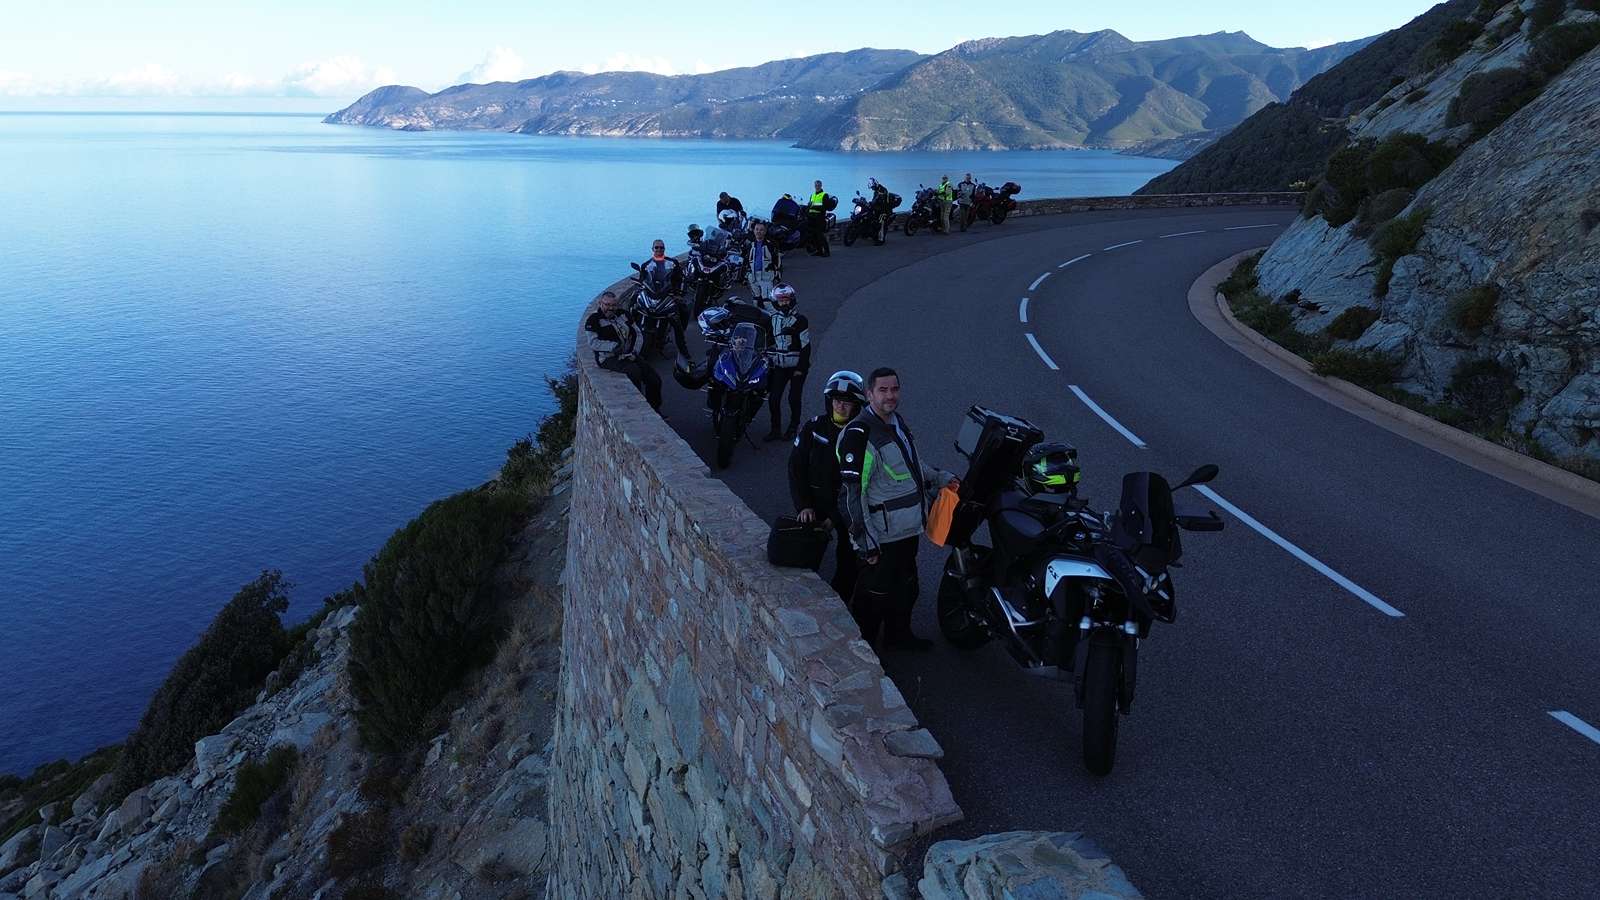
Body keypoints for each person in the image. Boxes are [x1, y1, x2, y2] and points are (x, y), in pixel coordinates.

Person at [836, 368, 959, 650]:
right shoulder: (859, 435)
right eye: (883, 390)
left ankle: (898, 638)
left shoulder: (895, 421)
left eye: (894, 389)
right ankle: (866, 653)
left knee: (906, 589)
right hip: (882, 538)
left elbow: (911, 463)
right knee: (873, 597)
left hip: (907, 530)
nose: (890, 395)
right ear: (869, 394)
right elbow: (852, 496)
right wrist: (866, 543)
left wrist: (940, 478)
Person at [789, 371, 867, 599]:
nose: (840, 406)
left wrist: (835, 517)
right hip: (814, 502)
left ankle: (840, 600)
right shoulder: (813, 428)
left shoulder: (862, 435)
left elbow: (859, 483)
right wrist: (803, 505)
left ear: (856, 406)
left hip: (848, 507)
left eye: (847, 402)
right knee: (802, 552)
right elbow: (796, 468)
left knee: (849, 558)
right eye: (836, 400)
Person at [584, 290, 662, 411]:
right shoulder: (593, 320)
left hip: (630, 354)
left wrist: (635, 351)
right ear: (600, 304)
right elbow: (593, 343)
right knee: (634, 372)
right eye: (607, 305)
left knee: (654, 379)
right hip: (608, 358)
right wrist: (614, 347)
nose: (611, 308)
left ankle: (655, 409)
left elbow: (637, 333)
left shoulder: (624, 314)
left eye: (613, 305)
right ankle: (640, 408)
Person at [762, 282, 810, 442]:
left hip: (797, 366)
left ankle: (793, 427)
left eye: (786, 300)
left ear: (792, 300)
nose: (784, 303)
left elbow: (806, 346)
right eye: (781, 300)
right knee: (774, 398)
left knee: (793, 398)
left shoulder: (801, 320)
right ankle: (775, 429)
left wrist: (801, 368)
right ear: (775, 302)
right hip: (780, 365)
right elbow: (769, 340)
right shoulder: (772, 319)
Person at [637, 239, 688, 358]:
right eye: (657, 247)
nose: (659, 249)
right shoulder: (646, 265)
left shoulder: (672, 263)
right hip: (653, 295)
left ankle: (683, 350)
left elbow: (681, 279)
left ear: (664, 249)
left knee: (682, 313)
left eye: (661, 247)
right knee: (634, 304)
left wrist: (679, 294)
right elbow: (642, 281)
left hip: (668, 295)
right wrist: (641, 289)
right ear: (652, 249)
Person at [746, 220, 781, 302]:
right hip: (753, 277)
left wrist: (778, 274)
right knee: (756, 300)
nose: (758, 231)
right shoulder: (750, 245)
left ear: (765, 232)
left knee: (767, 301)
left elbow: (777, 259)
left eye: (761, 230)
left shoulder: (771, 245)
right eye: (757, 229)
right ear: (754, 231)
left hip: (766, 276)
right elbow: (747, 260)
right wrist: (746, 275)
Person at [805, 179, 832, 257]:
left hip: (819, 218)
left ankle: (827, 251)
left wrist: (814, 207)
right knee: (814, 235)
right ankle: (819, 251)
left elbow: (825, 207)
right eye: (816, 185)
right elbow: (810, 205)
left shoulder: (824, 195)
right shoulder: (812, 195)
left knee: (820, 235)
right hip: (811, 217)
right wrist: (807, 211)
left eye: (818, 185)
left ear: (821, 186)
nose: (817, 187)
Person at [867, 178, 893, 245]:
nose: (872, 188)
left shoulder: (882, 190)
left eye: (872, 187)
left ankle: (881, 240)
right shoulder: (876, 191)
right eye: (871, 187)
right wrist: (870, 203)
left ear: (876, 184)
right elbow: (874, 200)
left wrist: (874, 203)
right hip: (878, 209)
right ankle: (872, 235)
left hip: (884, 210)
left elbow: (882, 201)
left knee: (881, 224)